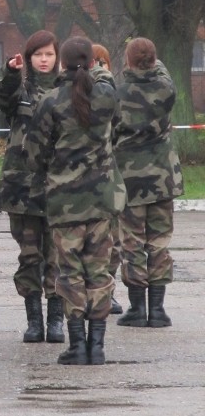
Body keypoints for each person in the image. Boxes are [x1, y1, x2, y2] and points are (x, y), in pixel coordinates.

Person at [23, 37, 126, 365]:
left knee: (68, 273)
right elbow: (119, 128)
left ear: (62, 63)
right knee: (98, 271)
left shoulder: (51, 101)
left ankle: (77, 344)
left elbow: (33, 154)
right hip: (100, 199)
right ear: (93, 63)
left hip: (65, 201)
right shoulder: (107, 95)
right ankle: (97, 346)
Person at [0, 30, 64, 345]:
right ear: (30, 58)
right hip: (22, 188)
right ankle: (34, 321)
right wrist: (11, 74)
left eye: (49, 54)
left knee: (57, 255)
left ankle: (56, 321)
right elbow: (3, 100)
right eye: (38, 55)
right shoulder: (20, 90)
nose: (44, 60)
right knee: (29, 256)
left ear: (58, 56)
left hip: (57, 185)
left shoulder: (68, 91)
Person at [113, 38, 183, 328]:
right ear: (154, 61)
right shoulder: (166, 88)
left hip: (130, 177)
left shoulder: (118, 92)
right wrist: (153, 61)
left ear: (128, 61)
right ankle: (158, 309)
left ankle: (137, 308)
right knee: (159, 241)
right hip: (163, 176)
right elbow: (162, 71)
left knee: (132, 243)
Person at [91, 43, 123, 315]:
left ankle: (108, 291)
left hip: (110, 175)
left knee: (114, 242)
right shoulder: (84, 92)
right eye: (95, 62)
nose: (101, 68)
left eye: (104, 62)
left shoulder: (112, 92)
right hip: (88, 179)